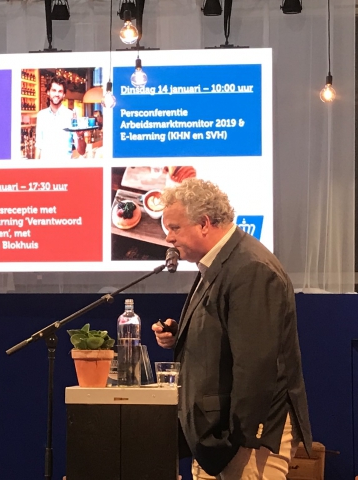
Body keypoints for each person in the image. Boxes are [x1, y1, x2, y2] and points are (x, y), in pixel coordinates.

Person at [151, 179, 312, 480]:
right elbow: (229, 333)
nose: (168, 237)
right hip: (217, 436)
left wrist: (232, 439)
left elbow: (256, 364)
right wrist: (181, 334)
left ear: (204, 223)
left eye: (174, 228)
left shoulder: (250, 267)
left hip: (245, 439)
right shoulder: (220, 263)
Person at [33, 80, 80, 160]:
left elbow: (81, 151)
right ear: (48, 92)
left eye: (60, 91)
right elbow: (38, 145)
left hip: (64, 166)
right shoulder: (41, 115)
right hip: (45, 165)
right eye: (54, 90)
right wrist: (35, 167)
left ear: (64, 94)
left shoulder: (71, 115)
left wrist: (80, 136)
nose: (57, 94)